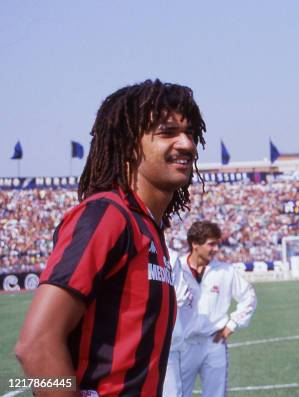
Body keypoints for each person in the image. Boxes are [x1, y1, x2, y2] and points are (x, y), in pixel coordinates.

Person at [15, 79, 207, 397]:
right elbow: (35, 345)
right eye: (168, 132)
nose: (187, 144)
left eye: (189, 133)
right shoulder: (108, 216)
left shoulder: (147, 227)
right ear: (129, 144)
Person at [163, 221, 257, 397]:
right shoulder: (176, 267)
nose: (216, 249)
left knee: (216, 394)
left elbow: (249, 296)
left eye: (217, 243)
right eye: (211, 244)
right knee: (177, 394)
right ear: (195, 244)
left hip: (214, 343)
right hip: (184, 345)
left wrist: (232, 325)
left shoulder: (225, 271)